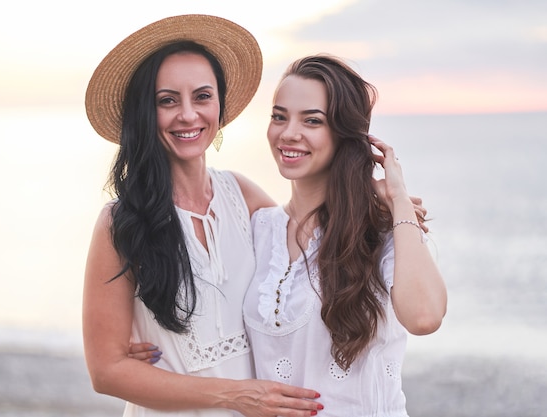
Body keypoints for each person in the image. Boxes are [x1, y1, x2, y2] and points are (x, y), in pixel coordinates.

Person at [82, 14, 324, 417]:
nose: (188, 115)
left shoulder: (242, 195)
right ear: (145, 111)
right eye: (167, 100)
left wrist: (386, 204)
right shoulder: (118, 223)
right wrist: (234, 396)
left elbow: (315, 248)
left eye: (202, 96)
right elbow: (106, 371)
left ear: (219, 104)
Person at [241, 55, 448, 417]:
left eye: (312, 121)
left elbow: (425, 317)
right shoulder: (259, 228)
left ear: (343, 134)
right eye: (279, 116)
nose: (289, 132)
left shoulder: (382, 233)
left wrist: (399, 200)